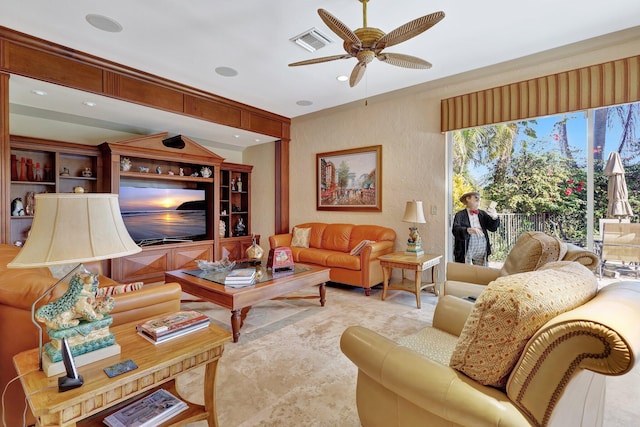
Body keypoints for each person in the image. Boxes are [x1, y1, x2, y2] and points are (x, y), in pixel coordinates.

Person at [452, 191, 500, 265]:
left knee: (481, 270)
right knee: (465, 270)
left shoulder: (482, 214)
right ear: (468, 199)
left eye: (479, 200)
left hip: (482, 243)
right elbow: (455, 230)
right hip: (466, 245)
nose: (479, 201)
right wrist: (467, 230)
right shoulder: (460, 215)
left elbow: (493, 228)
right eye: (476, 198)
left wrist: (494, 217)